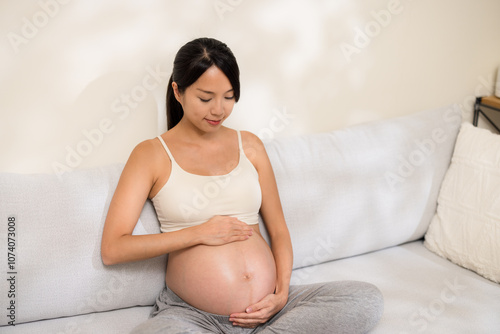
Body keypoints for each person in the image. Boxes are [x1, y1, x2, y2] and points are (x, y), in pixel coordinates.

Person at [101, 37, 383, 334]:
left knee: (363, 299)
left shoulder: (250, 146)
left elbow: (278, 230)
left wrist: (281, 294)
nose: (218, 110)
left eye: (229, 96)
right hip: (193, 318)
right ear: (178, 91)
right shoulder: (151, 154)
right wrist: (199, 233)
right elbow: (113, 248)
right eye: (205, 98)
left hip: (270, 313)